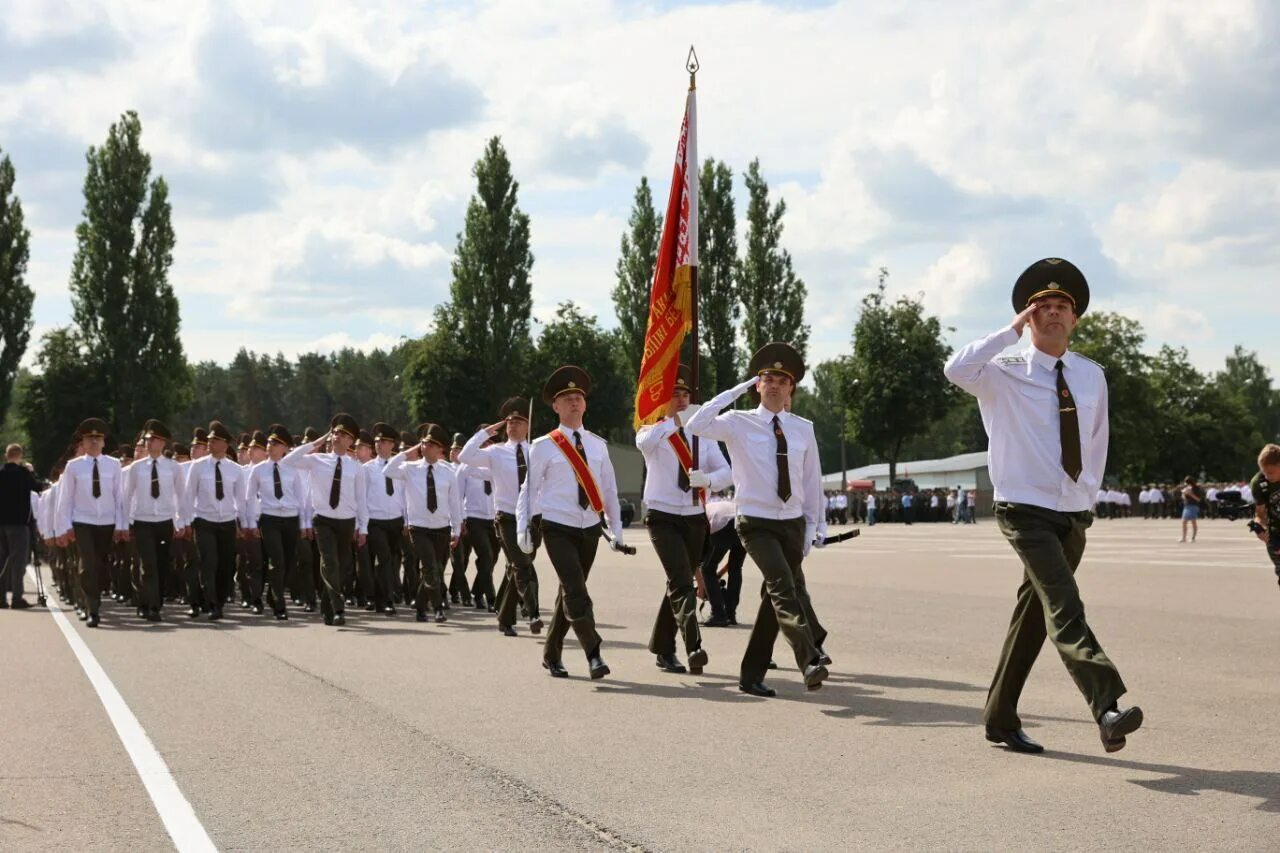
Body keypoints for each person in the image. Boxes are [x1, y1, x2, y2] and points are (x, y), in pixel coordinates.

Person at [943, 256, 1142, 754]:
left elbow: (1096, 442)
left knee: (1033, 617)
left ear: (1075, 319)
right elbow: (955, 368)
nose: (1053, 312)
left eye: (1062, 306)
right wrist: (1007, 332)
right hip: (1024, 508)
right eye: (1042, 306)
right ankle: (1107, 706)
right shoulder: (1001, 371)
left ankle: (1000, 718)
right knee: (1064, 605)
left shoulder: (1091, 375)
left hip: (1071, 512)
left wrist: (1087, 497)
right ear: (1028, 318)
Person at [687, 342, 831, 697]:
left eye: (783, 380)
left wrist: (816, 525)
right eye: (768, 378)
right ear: (757, 385)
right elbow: (696, 422)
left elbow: (812, 479)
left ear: (791, 388)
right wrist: (734, 391)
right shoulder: (738, 422)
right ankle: (809, 658)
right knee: (783, 586)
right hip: (755, 521)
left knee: (774, 599)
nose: (775, 385)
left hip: (793, 522)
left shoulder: (803, 428)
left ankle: (751, 675)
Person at [516, 365, 624, 680]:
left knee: (569, 591)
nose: (574, 402)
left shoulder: (597, 445)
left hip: (589, 528)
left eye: (578, 397)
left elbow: (611, 492)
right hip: (557, 527)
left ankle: (551, 654)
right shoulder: (544, 445)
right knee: (576, 590)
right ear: (556, 406)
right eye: (567, 398)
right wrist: (522, 527)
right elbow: (528, 489)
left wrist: (616, 531)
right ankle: (594, 653)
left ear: (585, 404)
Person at [635, 363, 732, 674]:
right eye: (673, 393)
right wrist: (673, 423)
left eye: (685, 392)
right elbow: (644, 444)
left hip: (693, 518)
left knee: (677, 584)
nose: (680, 397)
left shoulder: (703, 434)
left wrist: (708, 480)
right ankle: (694, 645)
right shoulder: (652, 429)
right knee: (681, 581)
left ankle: (662, 647)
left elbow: (726, 471)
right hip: (662, 516)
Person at [459, 397, 543, 637]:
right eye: (509, 422)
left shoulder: (536, 450)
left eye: (519, 421)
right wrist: (485, 433)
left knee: (516, 568)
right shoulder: (495, 452)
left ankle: (505, 618)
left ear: (528, 425)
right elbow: (465, 456)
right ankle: (533, 613)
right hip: (507, 518)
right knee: (522, 565)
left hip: (533, 518)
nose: (513, 425)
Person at [283, 414, 369, 626]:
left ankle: (327, 606)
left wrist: (363, 527)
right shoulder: (316, 460)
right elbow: (287, 460)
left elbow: (361, 499)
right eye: (335, 432)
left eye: (343, 434)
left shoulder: (356, 467)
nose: (337, 436)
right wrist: (316, 443)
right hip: (323, 519)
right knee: (329, 562)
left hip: (347, 520)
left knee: (343, 566)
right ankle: (339, 609)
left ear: (351, 441)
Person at [384, 423, 461, 623]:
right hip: (419, 528)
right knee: (429, 567)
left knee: (435, 568)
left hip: (442, 527)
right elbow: (388, 470)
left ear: (440, 449)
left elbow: (454, 503)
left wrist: (457, 528)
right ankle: (437, 607)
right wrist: (407, 452)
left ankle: (419, 606)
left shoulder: (448, 471)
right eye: (424, 443)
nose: (425, 446)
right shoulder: (410, 468)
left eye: (430, 444)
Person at [54, 418, 127, 627]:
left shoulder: (113, 465)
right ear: (83, 443)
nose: (94, 442)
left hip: (106, 521)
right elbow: (65, 498)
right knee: (88, 564)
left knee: (101, 564)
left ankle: (95, 599)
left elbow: (119, 497)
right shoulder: (73, 466)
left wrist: (121, 525)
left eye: (98, 439)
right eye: (89, 439)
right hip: (82, 520)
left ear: (104, 442)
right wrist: (63, 527)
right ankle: (92, 608)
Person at [120, 420, 186, 621]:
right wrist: (124, 524)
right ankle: (151, 606)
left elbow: (181, 496)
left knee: (161, 564)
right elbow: (126, 497)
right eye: (147, 439)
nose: (149, 443)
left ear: (163, 442)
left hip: (164, 522)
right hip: (142, 521)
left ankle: (151, 600)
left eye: (154, 439)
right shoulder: (136, 467)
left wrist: (180, 522)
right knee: (148, 564)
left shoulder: (173, 467)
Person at [180, 421, 245, 621]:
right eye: (209, 439)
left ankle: (220, 600)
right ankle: (212, 603)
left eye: (214, 440)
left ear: (225, 444)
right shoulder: (198, 467)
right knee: (209, 562)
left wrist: (244, 524)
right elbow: (188, 495)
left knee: (226, 565)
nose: (209, 442)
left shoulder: (235, 469)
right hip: (204, 521)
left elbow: (241, 500)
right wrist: (186, 521)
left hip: (226, 521)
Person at [243, 424, 307, 620]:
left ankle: (272, 593)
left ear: (285, 448)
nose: (270, 446)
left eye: (275, 443)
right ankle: (280, 605)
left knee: (287, 563)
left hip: (290, 519)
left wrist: (303, 525)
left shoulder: (292, 470)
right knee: (276, 560)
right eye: (270, 442)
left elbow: (301, 498)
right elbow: (250, 498)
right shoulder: (258, 470)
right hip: (269, 519)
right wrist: (252, 524)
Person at [361, 422, 406, 616]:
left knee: (391, 561)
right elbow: (361, 498)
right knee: (384, 559)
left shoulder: (402, 467)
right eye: (377, 442)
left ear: (392, 445)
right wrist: (362, 525)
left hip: (396, 520)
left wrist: (406, 520)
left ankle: (377, 598)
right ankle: (386, 600)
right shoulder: (368, 468)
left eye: (384, 442)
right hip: (375, 521)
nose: (379, 445)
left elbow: (405, 495)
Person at [0, 444, 44, 609]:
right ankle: (17, 598)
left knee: (1, 560)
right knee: (18, 562)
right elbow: (38, 488)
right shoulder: (24, 473)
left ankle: (1, 598)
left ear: (6, 455)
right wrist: (32, 471)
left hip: (1, 524)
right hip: (19, 524)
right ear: (20, 456)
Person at [1248, 444, 1280, 588]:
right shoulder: (1259, 483)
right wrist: (1259, 527)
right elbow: (1260, 514)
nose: (1267, 476)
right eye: (1264, 471)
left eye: (1271, 472)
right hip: (1276, 535)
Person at [1179, 476, 1204, 543]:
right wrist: (1183, 494)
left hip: (1193, 506)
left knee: (1193, 522)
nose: (1185, 484)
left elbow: (1198, 499)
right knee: (1184, 522)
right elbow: (1184, 498)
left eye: (1186, 482)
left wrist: (1190, 494)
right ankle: (1184, 537)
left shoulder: (1196, 489)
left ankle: (1193, 538)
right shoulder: (1187, 488)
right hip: (1186, 506)